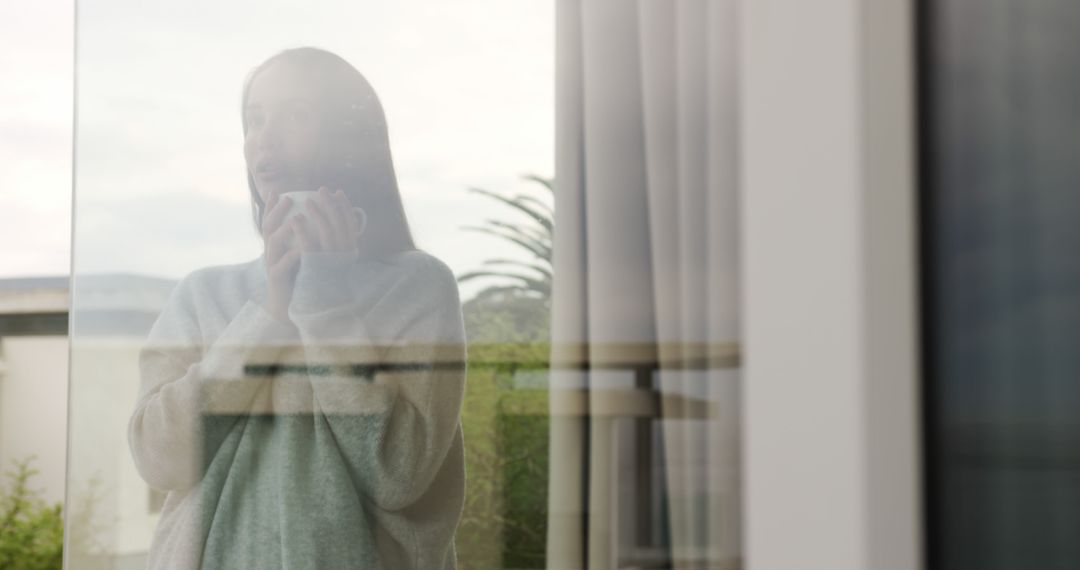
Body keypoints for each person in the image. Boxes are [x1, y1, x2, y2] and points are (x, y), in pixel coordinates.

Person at [128, 47, 467, 569]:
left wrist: (324, 295)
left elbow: (398, 472)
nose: (265, 137)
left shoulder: (419, 286)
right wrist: (269, 312)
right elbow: (157, 457)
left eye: (298, 115)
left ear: (351, 141)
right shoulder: (203, 294)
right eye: (254, 119)